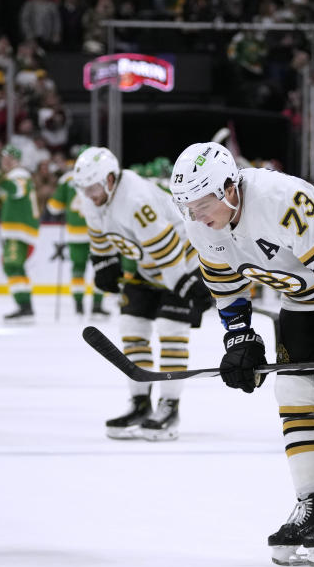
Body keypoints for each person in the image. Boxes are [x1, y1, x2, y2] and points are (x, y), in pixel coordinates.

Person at [169, 142, 314, 567]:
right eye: (187, 206)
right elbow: (227, 286)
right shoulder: (202, 224)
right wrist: (239, 340)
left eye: (202, 203)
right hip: (301, 291)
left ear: (229, 189)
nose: (196, 215)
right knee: (293, 391)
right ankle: (313, 505)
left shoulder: (282, 201)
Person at [72, 147, 212, 441]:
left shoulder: (134, 198)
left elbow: (167, 250)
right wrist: (104, 264)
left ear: (110, 180)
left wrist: (186, 285)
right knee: (132, 327)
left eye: (93, 187)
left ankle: (170, 406)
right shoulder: (93, 198)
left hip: (182, 263)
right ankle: (140, 403)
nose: (89, 194)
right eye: (84, 188)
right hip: (148, 267)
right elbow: (100, 237)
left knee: (171, 329)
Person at [46, 165, 108, 318]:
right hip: (97, 231)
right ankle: (97, 307)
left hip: (75, 233)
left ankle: (79, 306)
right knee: (100, 268)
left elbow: (53, 207)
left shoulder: (67, 179)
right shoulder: (101, 176)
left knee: (78, 270)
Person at [0, 144, 39, 322]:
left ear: (16, 161)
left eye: (9, 159)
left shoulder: (19, 175)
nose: (5, 162)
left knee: (11, 265)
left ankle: (24, 307)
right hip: (19, 230)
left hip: (19, 230)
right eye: (4, 158)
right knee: (15, 267)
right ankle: (25, 306)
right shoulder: (17, 175)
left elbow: (17, 190)